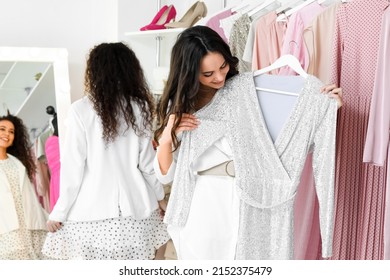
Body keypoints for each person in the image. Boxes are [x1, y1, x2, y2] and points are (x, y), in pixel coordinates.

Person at [153, 25, 343, 260]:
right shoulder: (182, 106)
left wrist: (324, 108)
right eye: (208, 74)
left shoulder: (245, 90)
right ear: (190, 73)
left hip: (245, 199)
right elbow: (165, 175)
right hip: (203, 200)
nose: (220, 77)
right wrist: (168, 134)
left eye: (222, 67)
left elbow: (284, 141)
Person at [42, 42, 170, 260]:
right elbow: (148, 165)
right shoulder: (140, 108)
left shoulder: (80, 110)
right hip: (136, 212)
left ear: (95, 71)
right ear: (130, 70)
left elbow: (73, 169)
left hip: (92, 215)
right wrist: (160, 198)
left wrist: (59, 212)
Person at [0, 113, 48, 259]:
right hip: (6, 228)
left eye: (11, 131)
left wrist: (48, 218)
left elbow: (30, 198)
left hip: (28, 226)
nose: (6, 134)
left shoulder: (17, 163)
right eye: (2, 129)